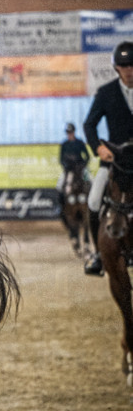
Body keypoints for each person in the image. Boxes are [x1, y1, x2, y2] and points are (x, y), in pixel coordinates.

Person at [82, 40, 133, 275]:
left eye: (132, 65)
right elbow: (89, 125)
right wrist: (98, 148)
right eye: (124, 66)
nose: (129, 70)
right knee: (94, 201)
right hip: (115, 161)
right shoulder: (106, 93)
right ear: (116, 68)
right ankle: (99, 255)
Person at [56, 122, 90, 221]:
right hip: (69, 170)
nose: (70, 134)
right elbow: (61, 159)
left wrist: (83, 165)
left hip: (80, 169)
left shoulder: (79, 143)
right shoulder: (64, 144)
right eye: (68, 132)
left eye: (71, 132)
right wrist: (66, 166)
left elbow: (87, 156)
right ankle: (60, 207)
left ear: (74, 132)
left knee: (91, 180)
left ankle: (93, 204)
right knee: (59, 185)